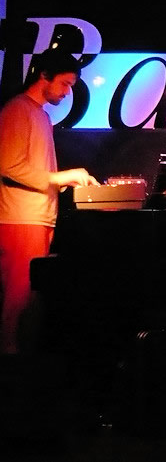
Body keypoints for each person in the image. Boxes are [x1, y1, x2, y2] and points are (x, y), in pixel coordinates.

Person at [0, 48, 99, 355]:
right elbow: (8, 165)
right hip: (20, 218)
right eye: (65, 84)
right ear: (44, 75)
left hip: (37, 217)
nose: (68, 93)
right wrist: (61, 177)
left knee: (31, 299)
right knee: (17, 300)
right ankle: (9, 362)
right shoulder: (18, 109)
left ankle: (20, 360)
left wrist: (64, 181)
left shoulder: (40, 115)